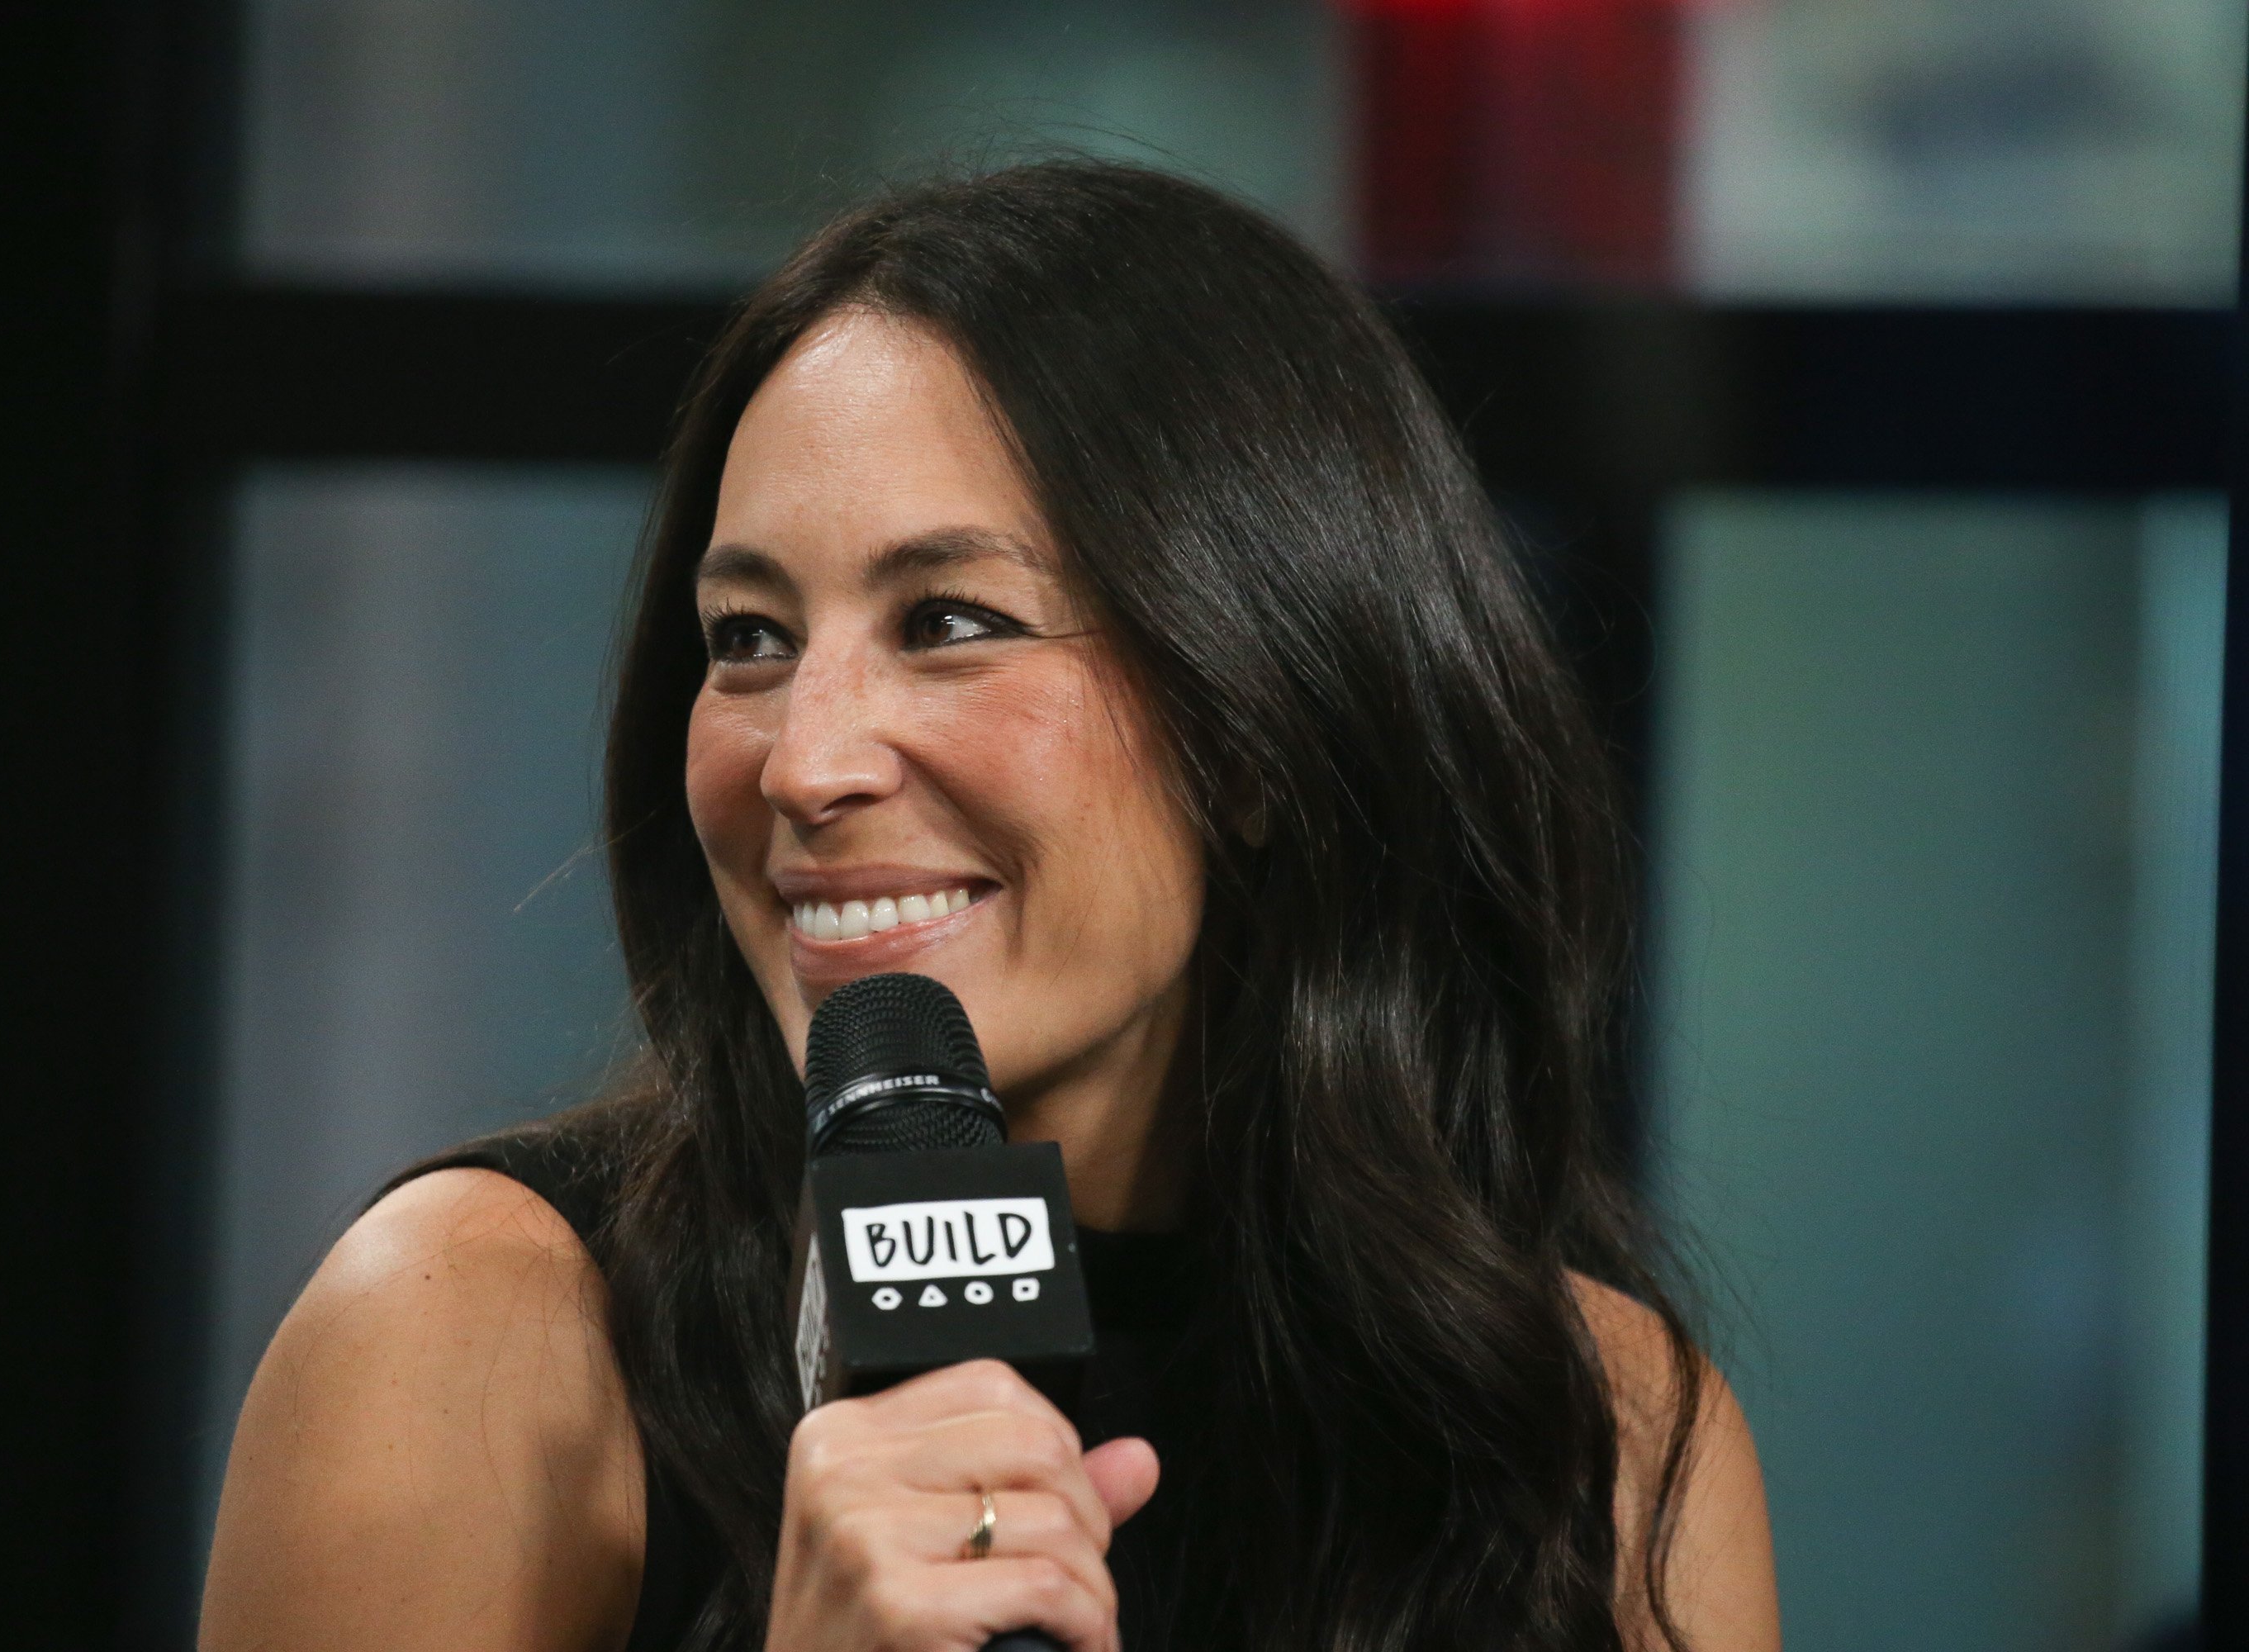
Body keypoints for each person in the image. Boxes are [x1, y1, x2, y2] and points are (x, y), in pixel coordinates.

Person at [199, 161, 1777, 1652]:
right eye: (747, 636)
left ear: (1261, 731)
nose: (805, 762)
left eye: (949, 621)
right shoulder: (473, 1337)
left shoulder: (1601, 1428)